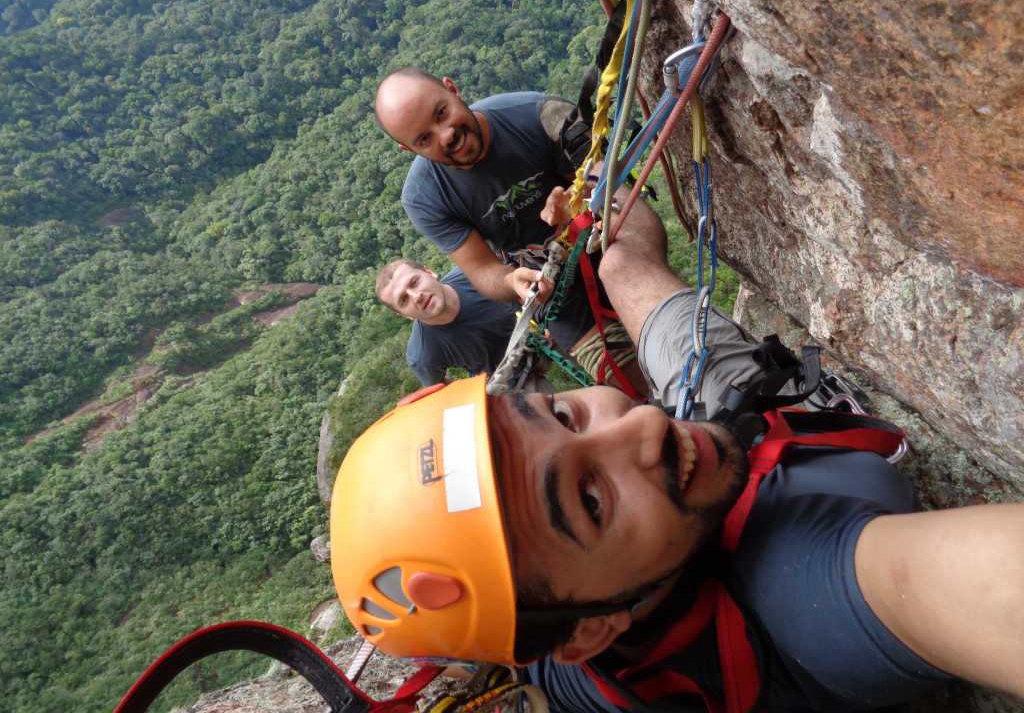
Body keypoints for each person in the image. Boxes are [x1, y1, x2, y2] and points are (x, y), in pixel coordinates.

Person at [331, 200, 1024, 711]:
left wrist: (597, 200)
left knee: (619, 262)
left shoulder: (558, 624)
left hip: (697, 461)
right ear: (591, 631)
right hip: (726, 415)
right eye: (590, 498)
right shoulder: (807, 594)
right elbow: (991, 589)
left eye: (563, 414)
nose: (641, 422)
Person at [374, 67, 644, 395]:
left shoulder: (535, 114)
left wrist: (579, 199)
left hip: (606, 236)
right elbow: (482, 270)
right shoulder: (426, 197)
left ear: (453, 89)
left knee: (653, 318)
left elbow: (608, 181)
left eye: (441, 113)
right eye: (424, 139)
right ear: (410, 150)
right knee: (623, 376)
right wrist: (511, 280)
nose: (445, 135)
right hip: (549, 285)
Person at [375, 258, 532, 388]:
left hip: (537, 322)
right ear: (404, 315)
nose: (416, 297)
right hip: (516, 377)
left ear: (429, 272)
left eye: (414, 282)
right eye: (404, 300)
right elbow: (440, 389)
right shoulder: (422, 353)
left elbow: (519, 281)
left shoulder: (475, 274)